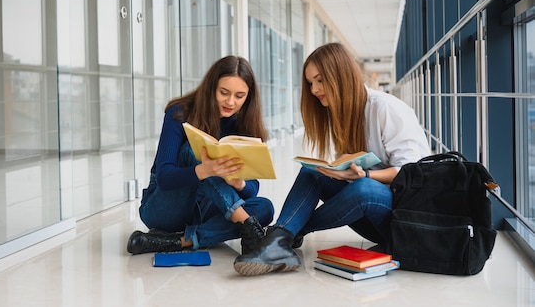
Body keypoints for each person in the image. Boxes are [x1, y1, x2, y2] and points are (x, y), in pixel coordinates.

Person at [233, 43, 431, 276]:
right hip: (373, 216)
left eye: (320, 80)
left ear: (340, 74)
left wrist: (365, 175)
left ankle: (281, 236)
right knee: (312, 173)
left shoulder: (386, 108)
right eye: (310, 83)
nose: (315, 89)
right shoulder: (343, 114)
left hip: (405, 217)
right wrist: (339, 170)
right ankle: (281, 239)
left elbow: (412, 172)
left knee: (364, 188)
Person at [127, 56, 275, 256]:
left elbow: (252, 190)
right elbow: (164, 177)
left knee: (265, 208)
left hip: (205, 208)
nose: (231, 102)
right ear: (211, 87)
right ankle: (246, 225)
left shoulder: (243, 125)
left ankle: (181, 241)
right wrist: (204, 170)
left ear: (248, 97)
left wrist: (238, 183)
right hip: (164, 208)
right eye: (224, 93)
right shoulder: (179, 113)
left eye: (239, 96)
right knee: (193, 149)